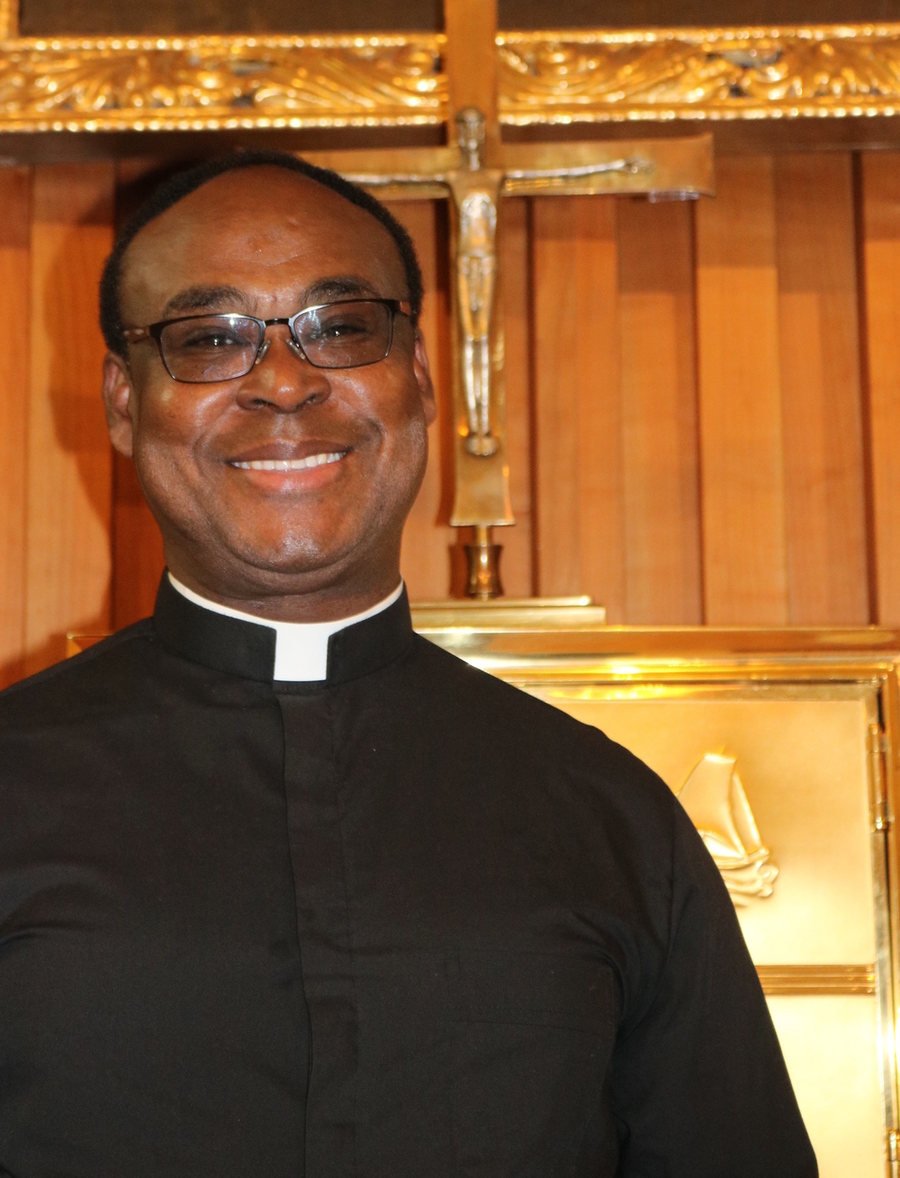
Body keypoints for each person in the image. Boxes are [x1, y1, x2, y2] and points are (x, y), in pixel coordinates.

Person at [0, 150, 816, 1178]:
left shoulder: (612, 817)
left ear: (420, 378)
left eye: (341, 328)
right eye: (211, 340)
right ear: (125, 404)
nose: (284, 382)